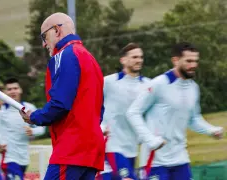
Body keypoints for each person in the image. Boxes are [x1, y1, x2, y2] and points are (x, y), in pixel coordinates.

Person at [19, 12, 105, 180]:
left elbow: (60, 104)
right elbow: (99, 109)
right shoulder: (90, 58)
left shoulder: (64, 55)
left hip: (71, 149)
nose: (44, 44)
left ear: (57, 30)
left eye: (44, 37)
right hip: (93, 149)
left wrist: (34, 116)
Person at [126, 42, 224, 180]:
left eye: (196, 61)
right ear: (175, 60)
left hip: (180, 159)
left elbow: (193, 118)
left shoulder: (193, 87)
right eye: (189, 61)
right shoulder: (158, 84)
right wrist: (150, 139)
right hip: (155, 162)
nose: (193, 65)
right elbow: (133, 112)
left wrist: (211, 130)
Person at [99, 43, 149, 180]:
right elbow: (88, 105)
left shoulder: (148, 85)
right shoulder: (108, 82)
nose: (139, 60)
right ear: (123, 60)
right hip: (111, 144)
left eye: (140, 57)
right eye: (134, 57)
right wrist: (99, 126)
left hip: (132, 147)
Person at [0, 77, 45, 180]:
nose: (13, 91)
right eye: (9, 89)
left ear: (20, 90)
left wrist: (32, 131)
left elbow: (41, 128)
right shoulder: (0, 110)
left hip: (24, 158)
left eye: (15, 88)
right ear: (5, 92)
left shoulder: (29, 108)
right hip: (8, 158)